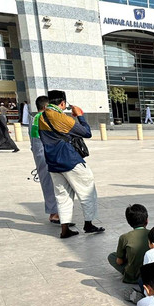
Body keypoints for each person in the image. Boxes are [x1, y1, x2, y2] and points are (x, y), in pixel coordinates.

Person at [37, 90, 103, 238]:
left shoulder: (41, 117)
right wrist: (80, 115)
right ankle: (88, 224)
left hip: (52, 162)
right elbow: (86, 132)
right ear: (62, 103)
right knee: (87, 189)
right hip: (69, 159)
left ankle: (65, 229)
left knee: (62, 196)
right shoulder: (60, 117)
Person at [29, 95, 59, 223]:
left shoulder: (33, 119)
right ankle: (55, 213)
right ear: (46, 107)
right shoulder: (41, 118)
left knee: (48, 183)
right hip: (46, 155)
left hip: (40, 154)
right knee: (51, 183)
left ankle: (54, 212)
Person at [108, 204, 150, 284]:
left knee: (112, 256)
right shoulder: (153, 234)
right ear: (147, 220)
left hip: (132, 277)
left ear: (129, 222)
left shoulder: (124, 237)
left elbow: (119, 262)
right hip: (151, 275)